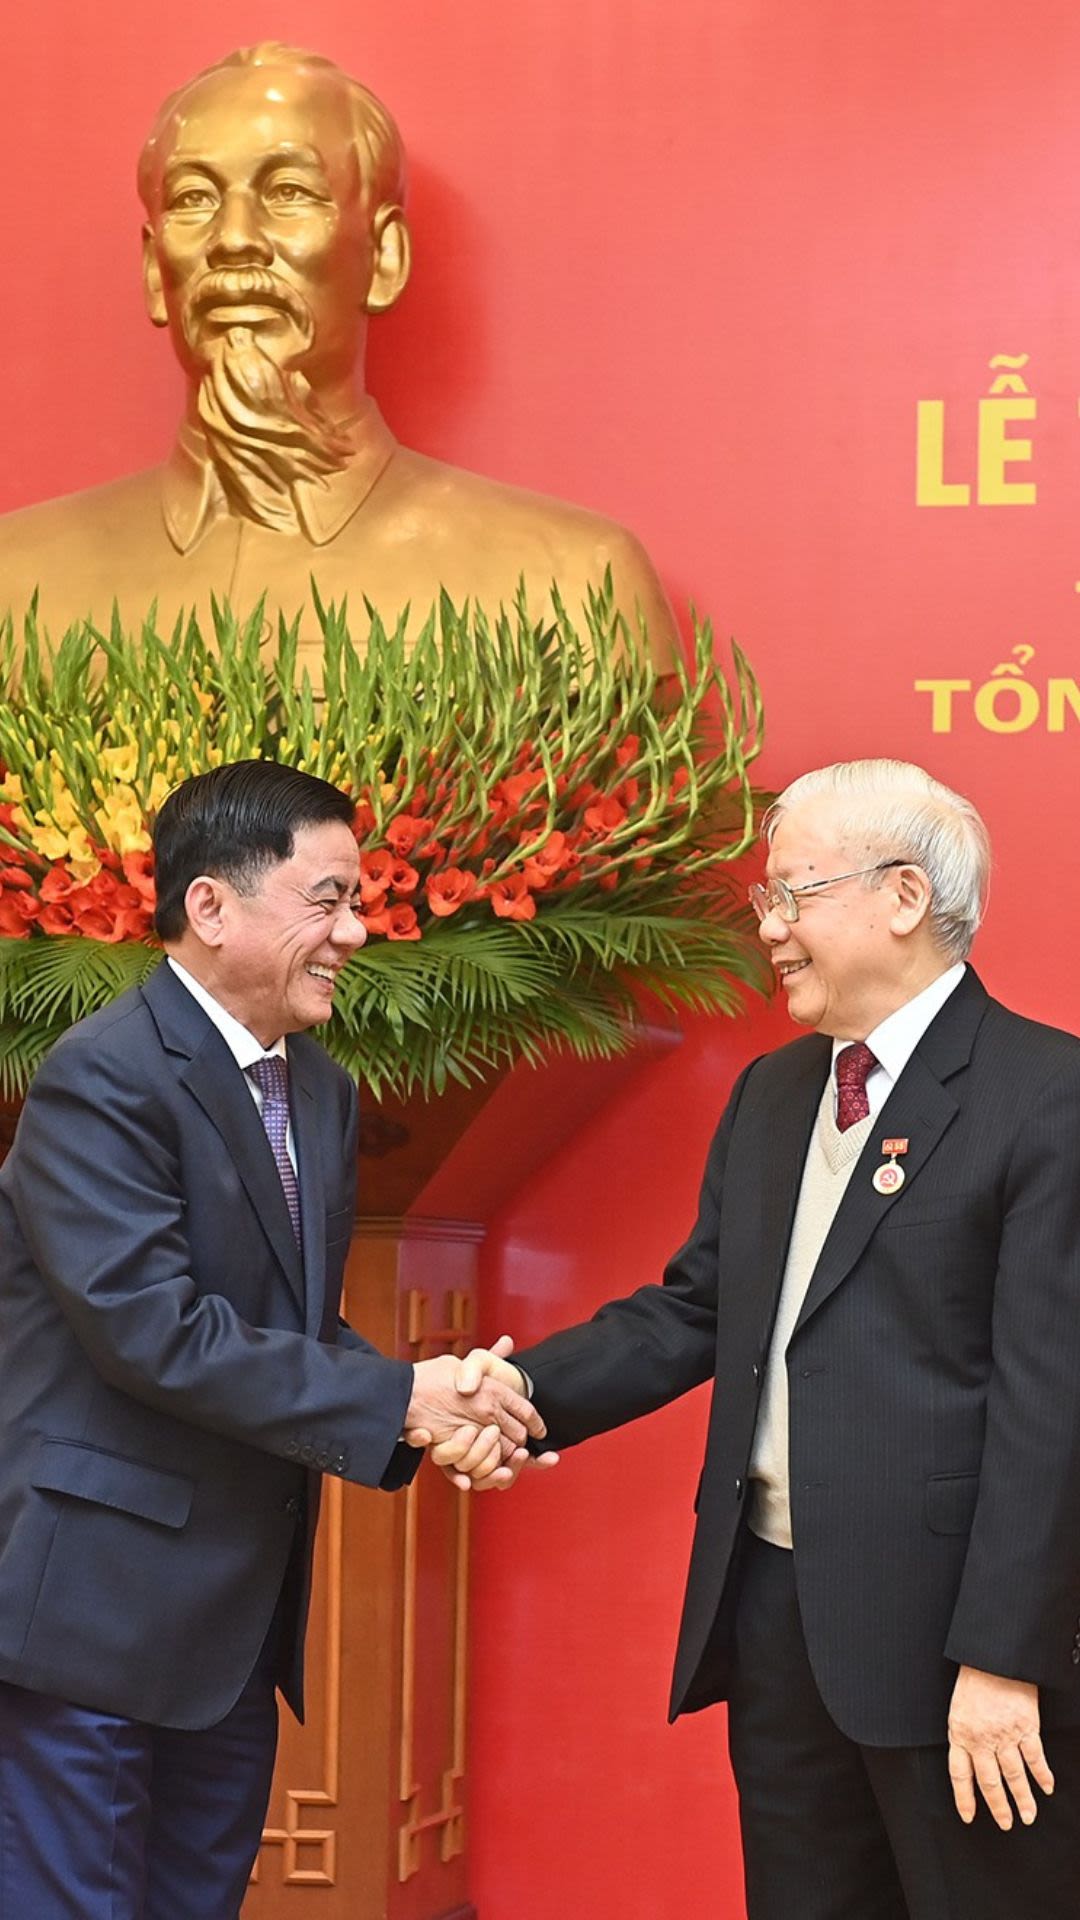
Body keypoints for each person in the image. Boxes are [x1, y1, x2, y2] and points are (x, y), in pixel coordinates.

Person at [430, 758, 1080, 1920]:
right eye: (766, 898)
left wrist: (1003, 1658)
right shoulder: (776, 1095)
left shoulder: (1046, 1097)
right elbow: (696, 1309)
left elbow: (1055, 1407)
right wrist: (517, 1388)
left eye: (794, 894)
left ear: (903, 896)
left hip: (954, 1641)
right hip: (778, 1620)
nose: (769, 927)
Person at [0, 757, 543, 1920]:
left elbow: (292, 1324)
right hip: (94, 1620)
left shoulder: (321, 1090)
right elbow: (151, 1329)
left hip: (232, 1627)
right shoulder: (103, 1079)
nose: (355, 932)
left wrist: (424, 1399)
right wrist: (403, 1401)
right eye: (328, 900)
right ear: (210, 905)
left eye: (359, 901)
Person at [0, 43, 678, 671]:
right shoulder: (14, 582)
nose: (233, 239)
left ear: (384, 258)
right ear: (154, 269)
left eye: (288, 192)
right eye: (193, 198)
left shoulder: (573, 586)